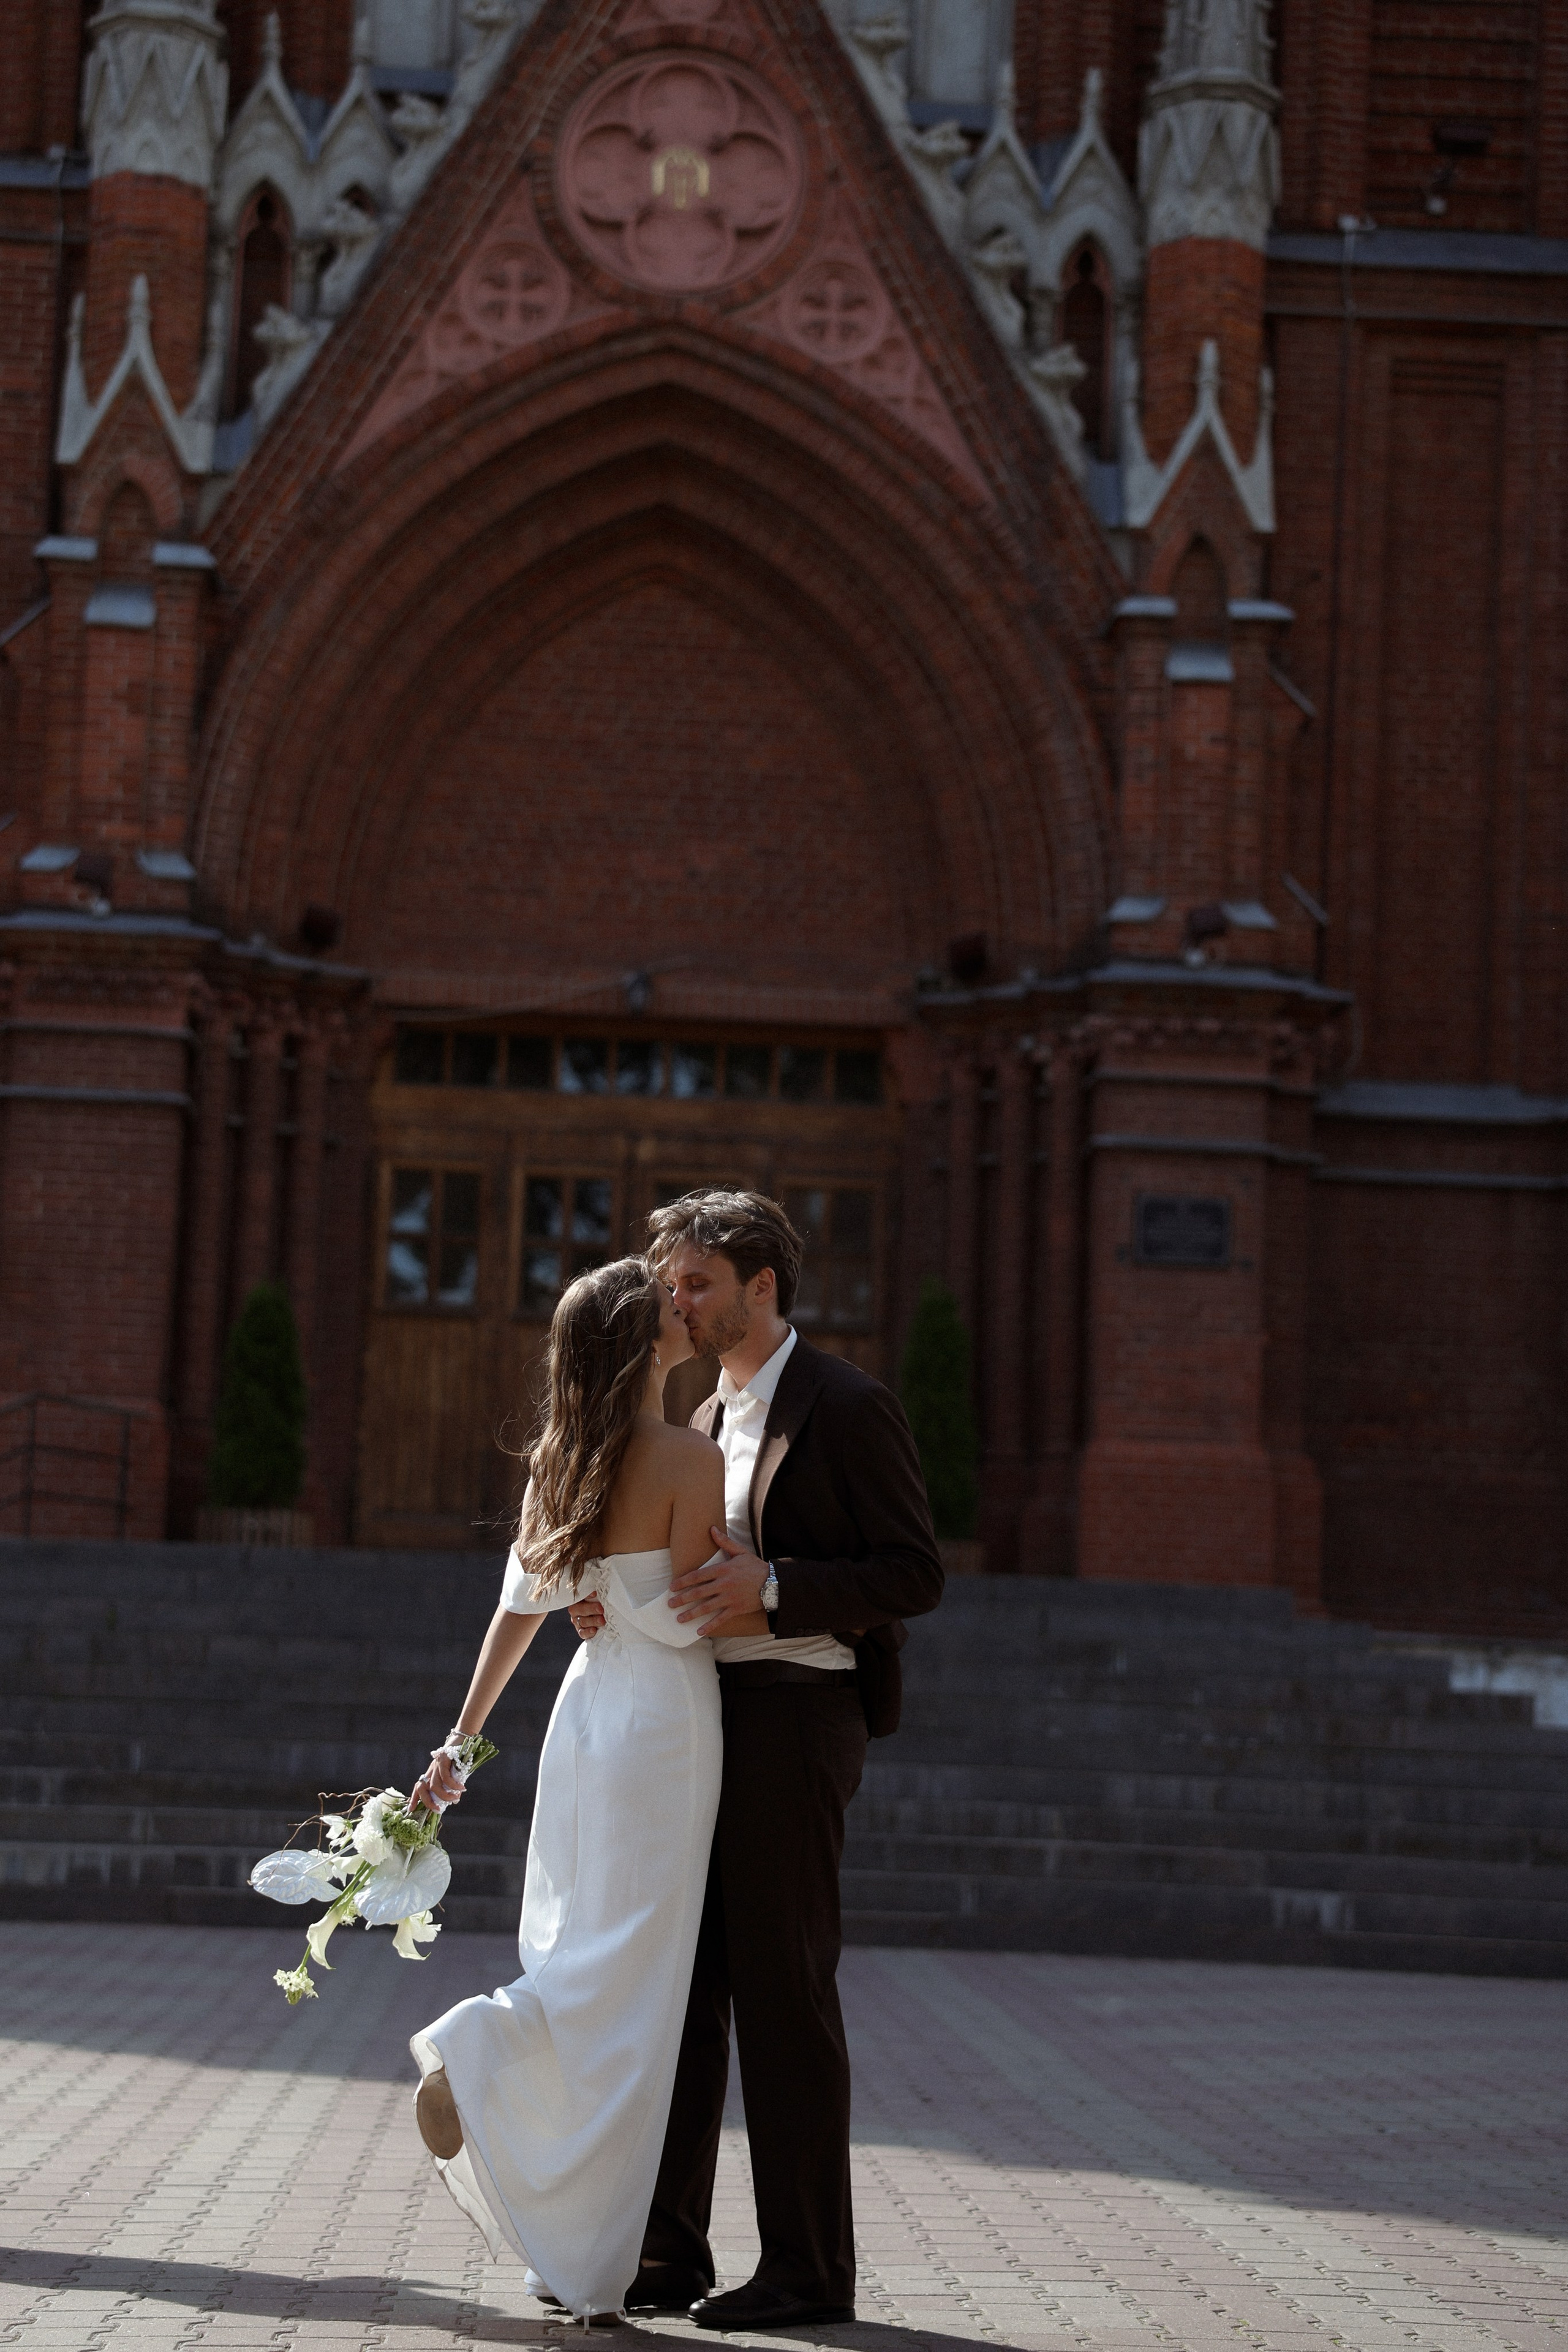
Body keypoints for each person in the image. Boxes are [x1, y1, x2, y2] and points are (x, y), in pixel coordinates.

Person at [570, 1189, 943, 2333]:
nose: (673, 1302)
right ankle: (669, 2254)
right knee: (686, 1989)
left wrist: (774, 1588)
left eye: (693, 1284)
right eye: (670, 1283)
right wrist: (612, 1605)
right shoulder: (703, 1412)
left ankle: (807, 2272)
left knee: (784, 1991)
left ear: (761, 1285)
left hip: (798, 1716)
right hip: (701, 1719)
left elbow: (912, 1573)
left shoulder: (845, 1403)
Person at [405, 1256, 766, 2324]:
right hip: (663, 1728)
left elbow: (519, 1610)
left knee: (588, 1954)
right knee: (636, 1991)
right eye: (668, 1305)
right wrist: (784, 1581)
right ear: (641, 1338)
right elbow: (716, 1609)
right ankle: (481, 2049)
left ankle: (578, 2261)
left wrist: (456, 1749)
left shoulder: (565, 1459)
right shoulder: (686, 1456)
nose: (684, 1312)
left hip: (585, 1719)